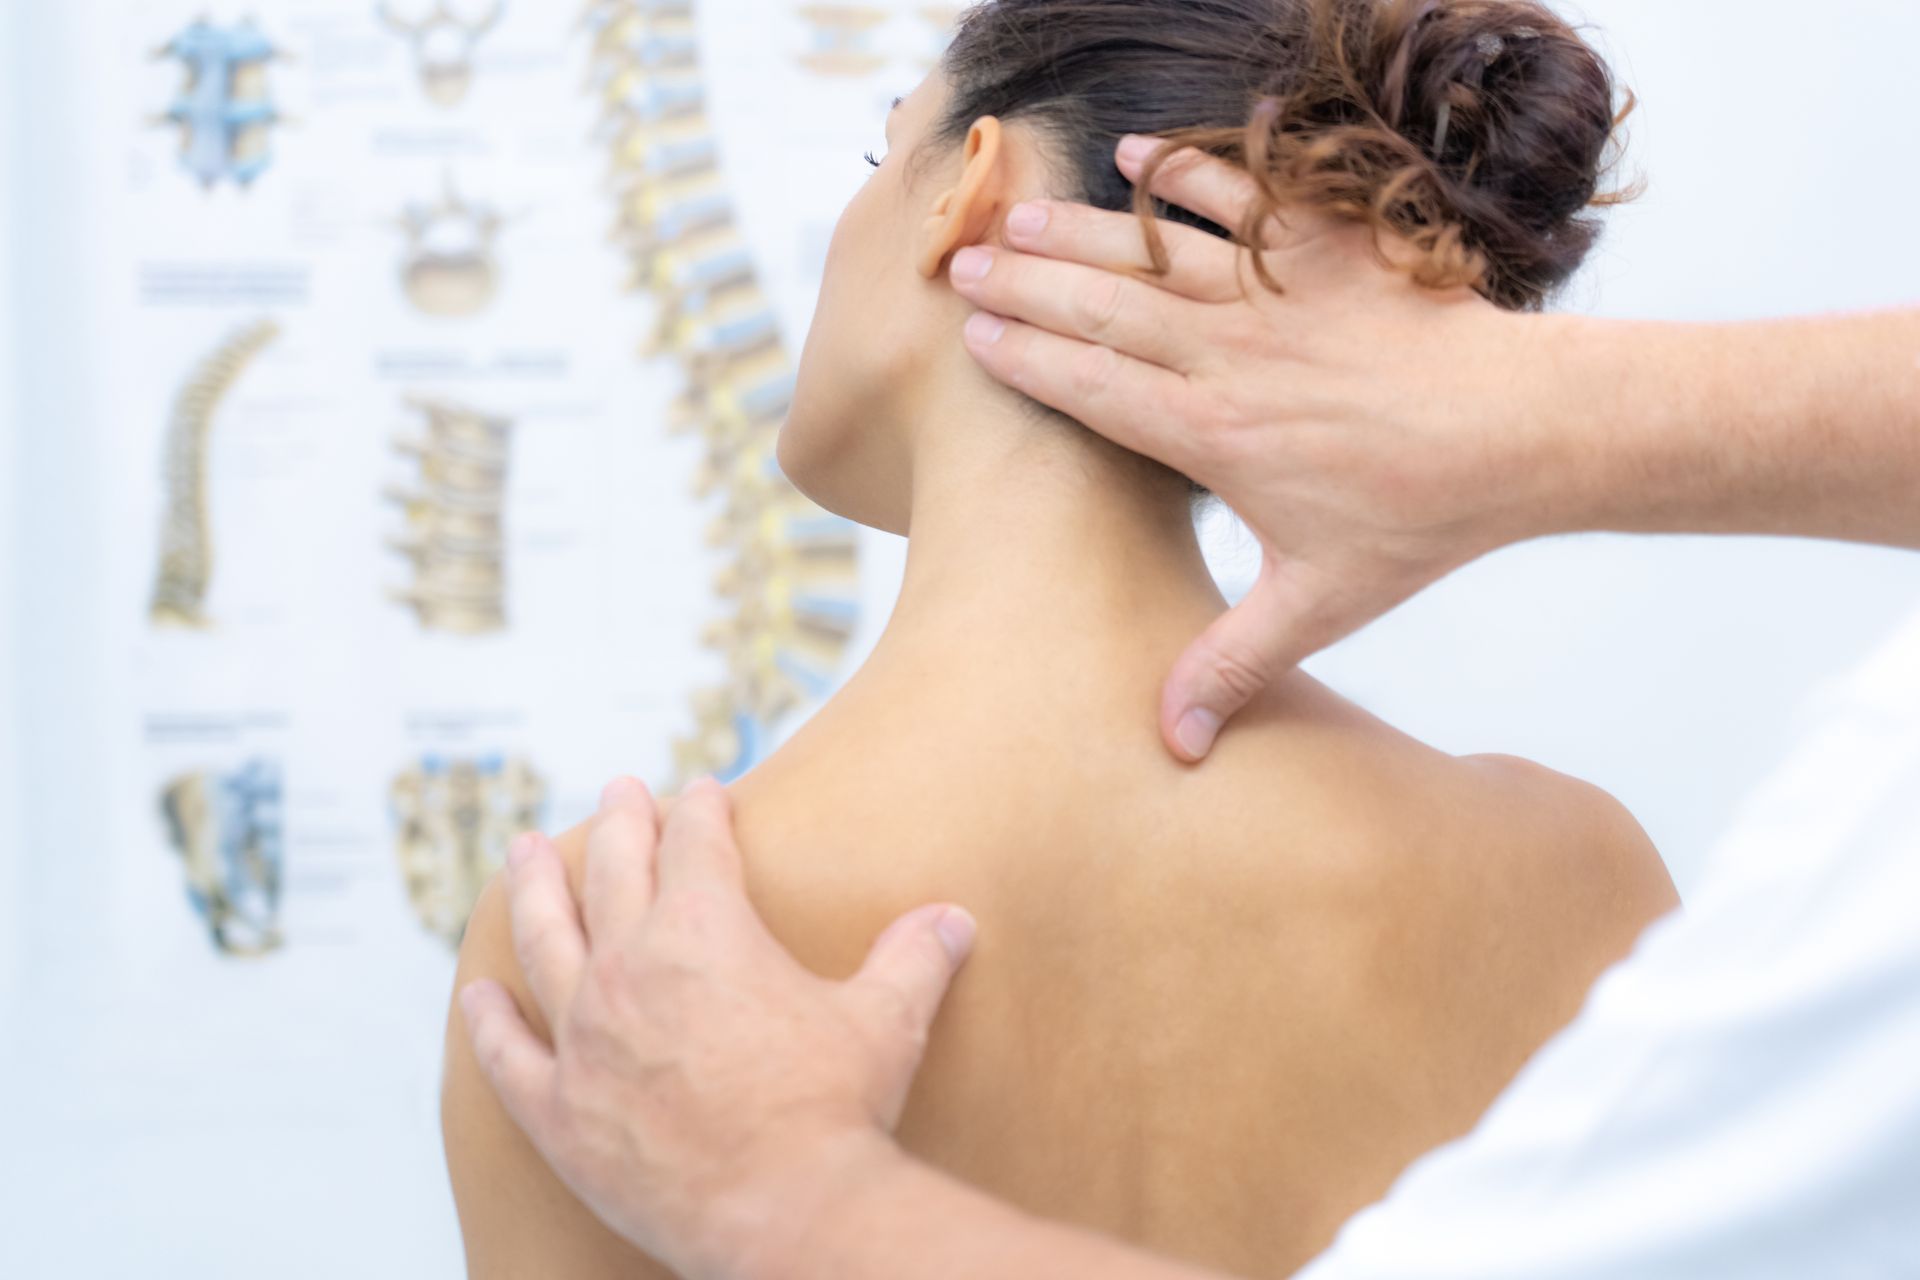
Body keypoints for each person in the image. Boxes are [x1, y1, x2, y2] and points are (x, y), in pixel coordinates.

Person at [454, 88, 1920, 1280]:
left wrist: (798, 1199)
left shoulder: (617, 951)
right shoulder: (1573, 874)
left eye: (872, 148)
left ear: (974, 183)